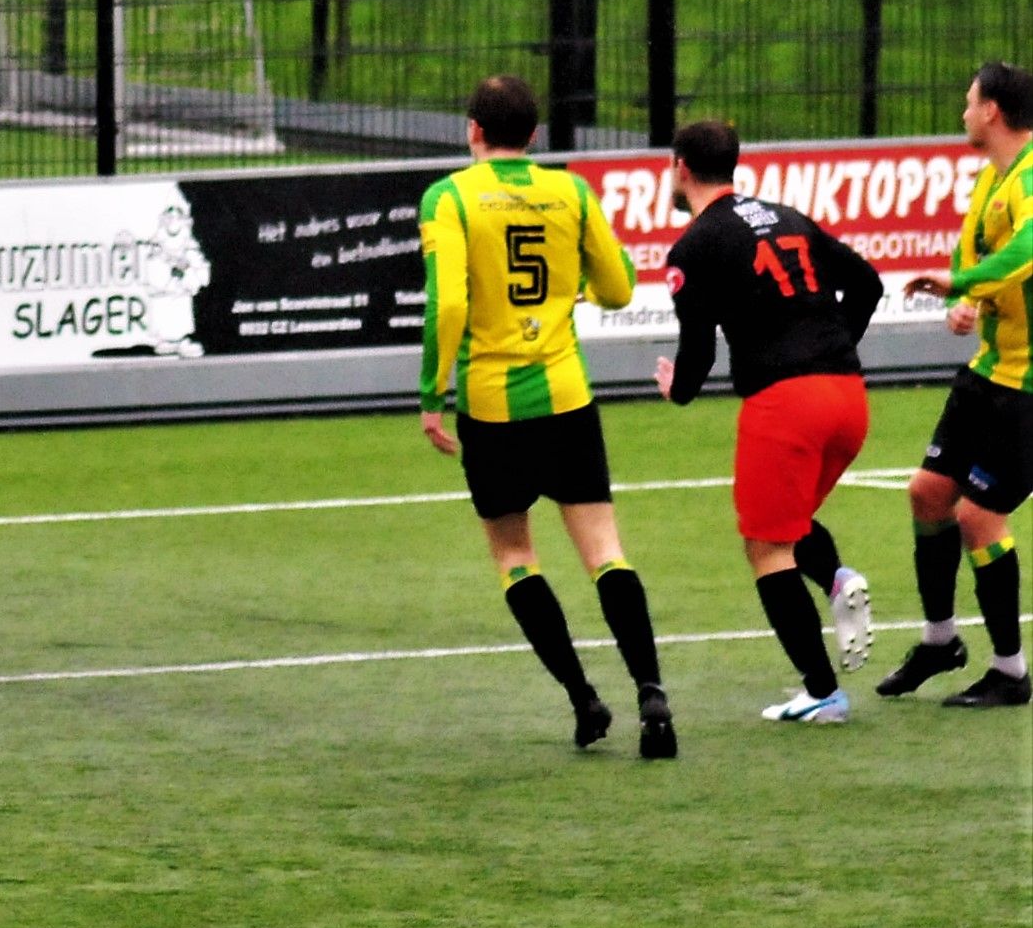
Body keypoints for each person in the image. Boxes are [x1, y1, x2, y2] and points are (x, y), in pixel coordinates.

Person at [419, 75, 675, 757]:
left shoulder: (448, 198)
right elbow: (619, 288)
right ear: (533, 135)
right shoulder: (570, 191)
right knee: (604, 552)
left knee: (514, 556)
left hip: (491, 407)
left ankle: (583, 699)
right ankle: (651, 691)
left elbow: (446, 306)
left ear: (472, 128)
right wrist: (576, 287)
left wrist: (429, 392)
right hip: (566, 397)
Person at [650, 120, 881, 723]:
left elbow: (697, 351)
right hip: (848, 398)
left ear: (679, 167)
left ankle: (822, 690)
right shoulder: (787, 216)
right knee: (791, 520)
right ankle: (836, 578)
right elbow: (868, 283)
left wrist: (678, 392)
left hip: (786, 406)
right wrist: (833, 350)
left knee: (766, 545)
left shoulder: (692, 247)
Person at [875, 59, 1033, 710]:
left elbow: (1026, 248)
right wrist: (961, 299)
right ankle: (940, 641)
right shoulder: (989, 180)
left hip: (1027, 386)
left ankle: (1010, 670)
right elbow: (970, 256)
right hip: (988, 370)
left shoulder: (1028, 178)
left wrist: (964, 284)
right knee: (928, 492)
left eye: (968, 103)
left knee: (978, 515)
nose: (963, 113)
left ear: (991, 111)